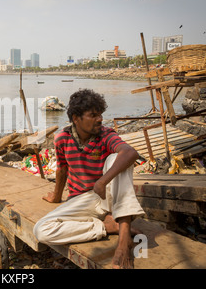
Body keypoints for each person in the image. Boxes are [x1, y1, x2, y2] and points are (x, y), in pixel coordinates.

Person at [33, 88, 145, 269]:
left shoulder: (106, 135)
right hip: (83, 200)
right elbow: (62, 168)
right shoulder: (62, 138)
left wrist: (102, 181)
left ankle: (123, 242)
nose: (99, 119)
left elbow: (130, 153)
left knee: (118, 159)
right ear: (76, 118)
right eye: (93, 115)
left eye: (100, 114)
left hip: (107, 197)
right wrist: (55, 196)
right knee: (41, 230)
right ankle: (106, 227)